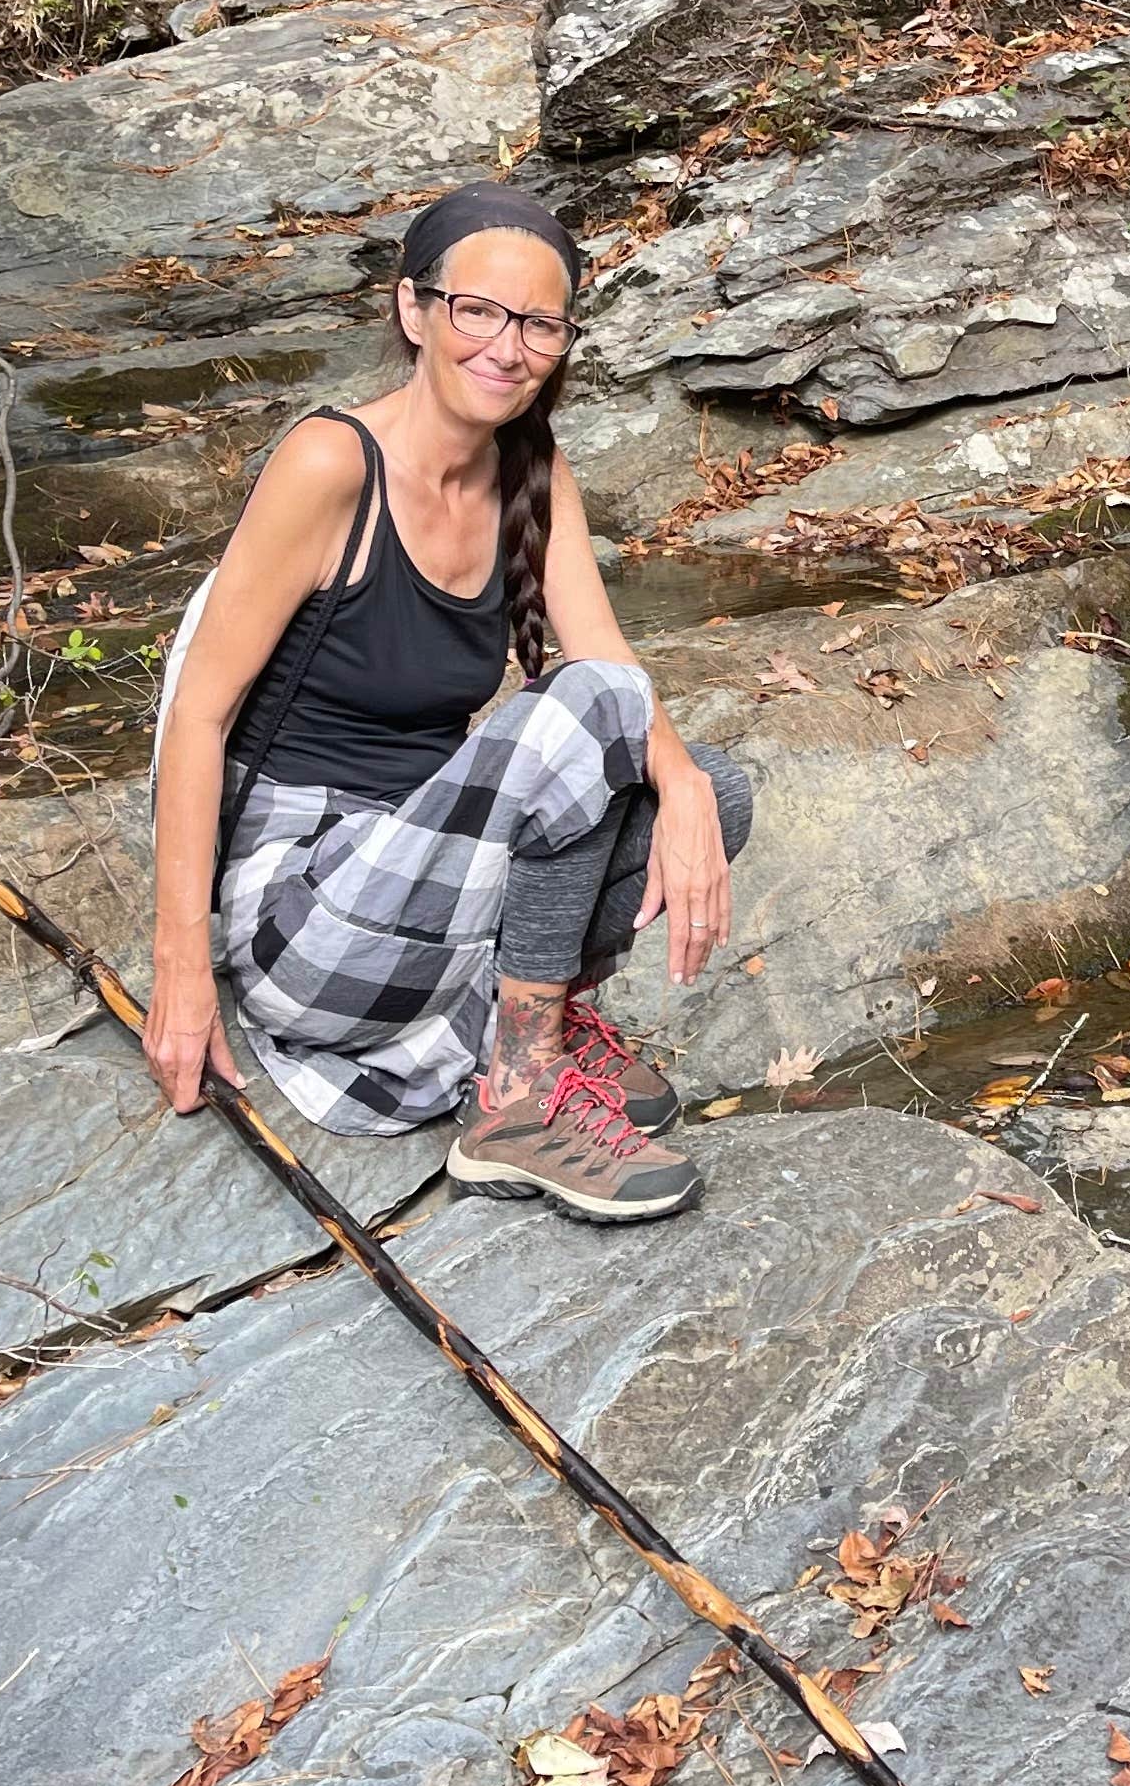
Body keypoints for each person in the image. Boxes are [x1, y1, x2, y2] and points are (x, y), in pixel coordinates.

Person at [144, 180, 755, 1224]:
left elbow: (603, 650)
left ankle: (539, 1027)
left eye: (540, 325)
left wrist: (689, 789)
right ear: (415, 311)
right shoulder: (332, 462)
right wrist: (181, 972)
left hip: (413, 891)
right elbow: (195, 716)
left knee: (715, 792)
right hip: (304, 916)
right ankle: (518, 1099)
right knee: (588, 719)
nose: (506, 348)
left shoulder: (531, 466)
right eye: (478, 310)